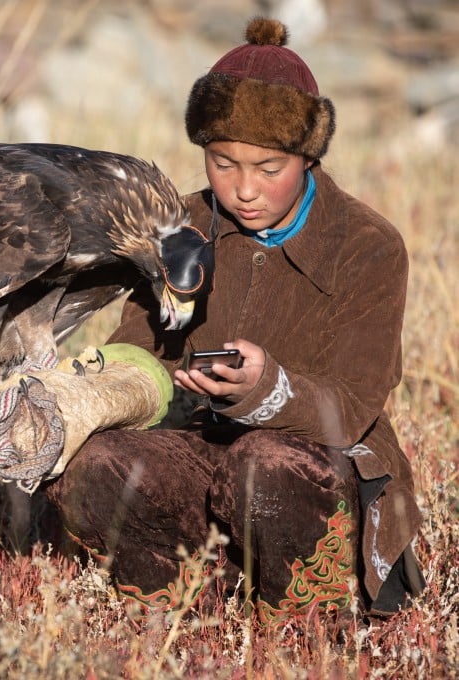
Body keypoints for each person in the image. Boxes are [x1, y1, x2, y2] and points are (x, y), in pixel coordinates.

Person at [40, 16, 424, 619]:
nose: (244, 189)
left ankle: (302, 625)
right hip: (198, 445)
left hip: (320, 466)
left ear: (308, 155)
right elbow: (135, 349)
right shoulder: (179, 224)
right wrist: (68, 406)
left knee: (264, 464)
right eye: (222, 163)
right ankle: (177, 612)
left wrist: (267, 389)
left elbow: (349, 409)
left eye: (269, 169)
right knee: (100, 465)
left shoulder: (369, 245)